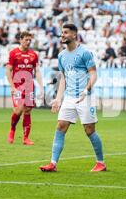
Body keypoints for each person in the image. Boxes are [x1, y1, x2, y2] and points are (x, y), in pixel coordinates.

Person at [39, 24, 106, 172]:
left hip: (85, 98)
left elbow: (94, 74)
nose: (62, 35)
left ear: (74, 35)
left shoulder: (85, 53)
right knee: (61, 126)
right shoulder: (61, 55)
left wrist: (86, 90)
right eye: (62, 33)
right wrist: (58, 98)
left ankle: (100, 162)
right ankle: (53, 163)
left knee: (89, 130)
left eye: (66, 33)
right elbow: (63, 78)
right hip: (69, 97)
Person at [5, 31, 44, 145]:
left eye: (30, 40)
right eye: (26, 40)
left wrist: (41, 87)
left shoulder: (33, 55)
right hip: (17, 87)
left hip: (29, 88)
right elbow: (8, 70)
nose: (28, 42)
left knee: (27, 111)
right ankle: (12, 130)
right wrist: (12, 86)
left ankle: (25, 138)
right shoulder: (13, 53)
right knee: (18, 109)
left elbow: (37, 71)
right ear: (20, 40)